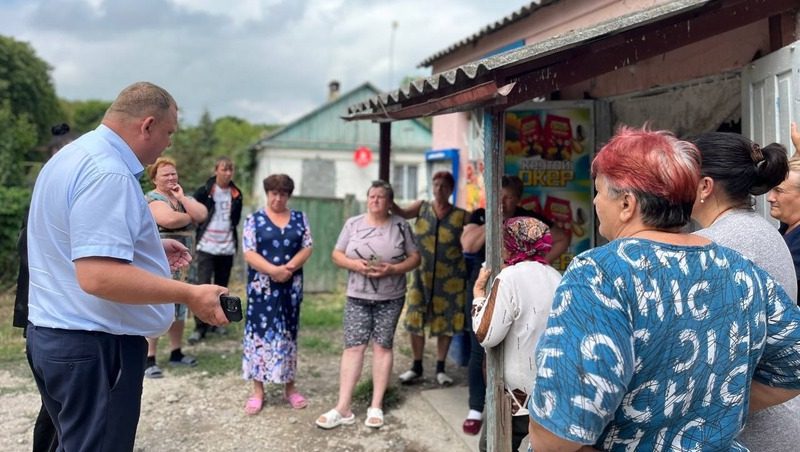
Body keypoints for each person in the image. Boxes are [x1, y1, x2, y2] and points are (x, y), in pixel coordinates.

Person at [527, 126, 800, 451]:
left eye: (599, 191)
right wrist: (711, 406)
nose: (596, 202)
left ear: (627, 203)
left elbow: (556, 432)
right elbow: (792, 364)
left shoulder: (602, 273)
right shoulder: (740, 269)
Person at [25, 82, 229, 451]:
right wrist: (190, 294)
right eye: (168, 132)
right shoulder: (109, 174)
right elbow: (98, 275)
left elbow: (70, 243)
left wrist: (146, 247)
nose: (168, 143)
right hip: (95, 346)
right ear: (147, 125)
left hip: (54, 335)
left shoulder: (71, 158)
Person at [459, 174, 568, 435]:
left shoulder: (527, 223)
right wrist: (495, 220)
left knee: (516, 343)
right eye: (499, 196)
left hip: (513, 291)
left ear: (518, 199)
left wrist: (530, 262)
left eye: (509, 198)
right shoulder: (479, 216)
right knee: (480, 354)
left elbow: (562, 237)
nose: (504, 202)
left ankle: (509, 407)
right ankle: (479, 406)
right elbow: (468, 244)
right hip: (487, 286)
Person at [316, 180, 420, 430]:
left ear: (389, 202)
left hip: (391, 295)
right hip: (357, 295)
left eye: (381, 197)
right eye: (371, 196)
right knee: (353, 347)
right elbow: (336, 254)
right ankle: (343, 407)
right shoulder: (353, 223)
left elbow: (415, 258)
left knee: (383, 346)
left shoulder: (401, 225)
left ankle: (376, 405)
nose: (375, 200)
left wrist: (393, 268)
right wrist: (355, 265)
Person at [471, 216, 562, 452]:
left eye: (505, 240)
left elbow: (486, 334)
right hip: (549, 391)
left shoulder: (509, 278)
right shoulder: (555, 276)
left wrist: (479, 295)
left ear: (514, 244)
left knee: (493, 447)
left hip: (514, 395)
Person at [691, 132, 796, 301]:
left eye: (683, 175)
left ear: (705, 186)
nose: (676, 184)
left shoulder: (705, 245)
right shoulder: (766, 231)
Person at [242, 174, 313, 415]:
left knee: (288, 334)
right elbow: (249, 252)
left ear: (288, 195)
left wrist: (289, 268)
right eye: (274, 193)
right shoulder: (254, 220)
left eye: (283, 194)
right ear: (267, 193)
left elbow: (307, 246)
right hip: (262, 288)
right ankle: (258, 391)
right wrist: (273, 270)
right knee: (259, 336)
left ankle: (289, 387)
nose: (278, 198)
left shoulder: (300, 219)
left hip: (290, 288)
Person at [392, 171, 468, 386]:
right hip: (421, 273)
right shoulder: (422, 207)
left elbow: (480, 227)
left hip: (450, 277)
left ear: (451, 189)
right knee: (416, 317)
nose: (439, 189)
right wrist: (390, 199)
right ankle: (416, 366)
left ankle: (441, 368)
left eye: (444, 186)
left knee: (447, 320)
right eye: (436, 185)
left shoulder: (461, 215)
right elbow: (401, 213)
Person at [143, 157, 209, 378]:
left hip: (184, 264)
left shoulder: (183, 197)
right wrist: (190, 216)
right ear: (154, 179)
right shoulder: (153, 199)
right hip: (161, 262)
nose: (171, 177)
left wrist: (183, 199)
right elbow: (169, 220)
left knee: (180, 306)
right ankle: (149, 357)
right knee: (158, 304)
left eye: (173, 173)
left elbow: (203, 214)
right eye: (165, 174)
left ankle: (176, 351)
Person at [189, 156, 243, 344]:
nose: (227, 173)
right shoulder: (205, 191)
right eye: (224, 169)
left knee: (222, 288)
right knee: (202, 286)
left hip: (226, 246)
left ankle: (217, 323)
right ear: (216, 170)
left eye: (230, 170)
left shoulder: (237, 193)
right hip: (206, 245)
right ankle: (199, 327)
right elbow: (193, 211)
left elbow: (235, 220)